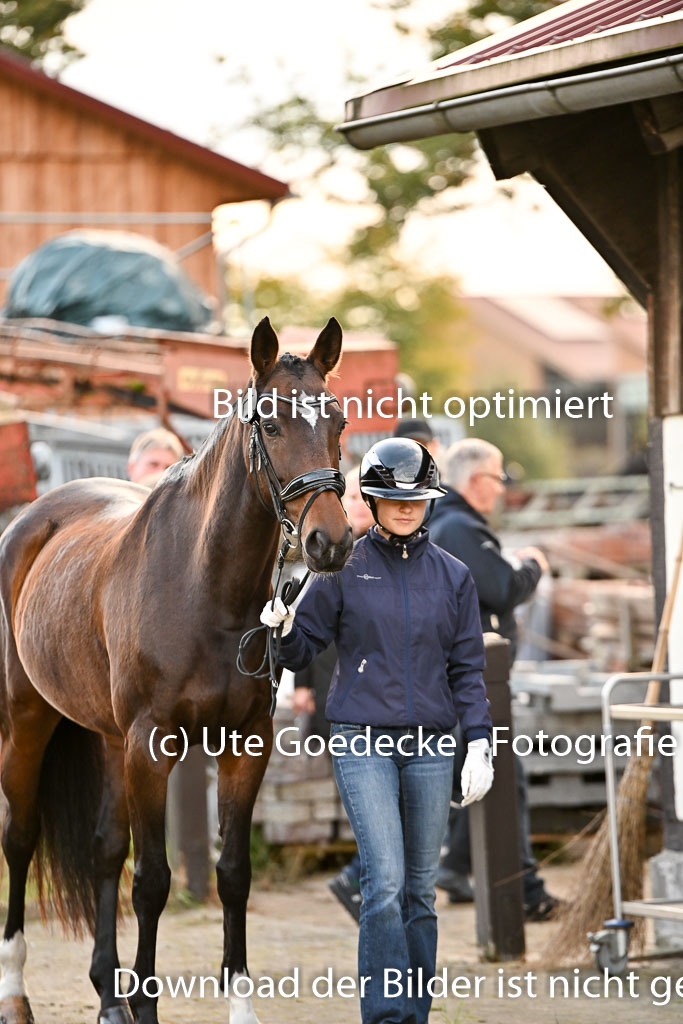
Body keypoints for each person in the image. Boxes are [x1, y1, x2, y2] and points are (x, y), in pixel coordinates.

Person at [261, 438, 493, 1024]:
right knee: (384, 881)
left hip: (433, 747)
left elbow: (468, 670)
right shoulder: (342, 570)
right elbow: (302, 648)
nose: (407, 507)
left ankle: (415, 1013)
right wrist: (281, 629)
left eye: (417, 498)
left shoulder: (456, 577)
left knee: (420, 891)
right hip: (362, 741)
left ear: (430, 501)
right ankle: (387, 1015)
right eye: (394, 498)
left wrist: (480, 741)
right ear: (372, 500)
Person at [428, 437, 561, 920]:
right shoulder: (459, 528)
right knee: (503, 774)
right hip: (476, 683)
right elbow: (503, 587)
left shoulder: (452, 524)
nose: (502, 489)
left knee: (482, 772)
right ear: (472, 479)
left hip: (468, 681)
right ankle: (524, 892)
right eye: (497, 477)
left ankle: (455, 868)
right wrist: (533, 566)